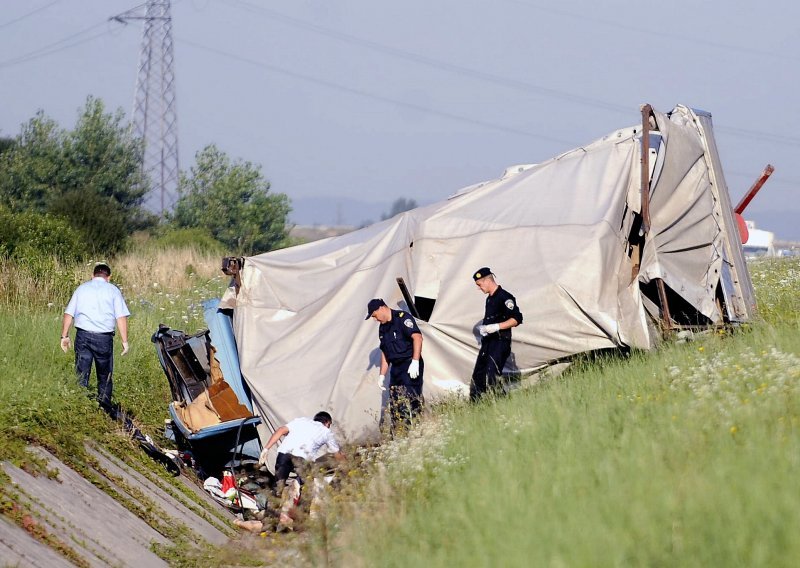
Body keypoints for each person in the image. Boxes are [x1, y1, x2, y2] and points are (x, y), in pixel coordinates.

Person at [61, 263, 130, 410]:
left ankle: (79, 406)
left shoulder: (82, 289)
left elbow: (69, 314)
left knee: (81, 373)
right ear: (109, 277)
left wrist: (64, 336)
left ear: (92, 275)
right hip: (103, 338)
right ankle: (104, 407)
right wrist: (125, 341)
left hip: (83, 336)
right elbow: (121, 317)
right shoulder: (113, 291)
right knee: (105, 375)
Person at [366, 298, 424, 428]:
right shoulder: (383, 328)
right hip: (396, 367)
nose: (375, 319)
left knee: (411, 397)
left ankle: (416, 428)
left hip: (409, 363)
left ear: (381, 308)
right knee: (395, 402)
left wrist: (415, 361)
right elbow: (385, 353)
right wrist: (382, 375)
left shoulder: (402, 318)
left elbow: (417, 338)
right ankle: (400, 431)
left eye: (375, 316)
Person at [471, 267, 522, 400]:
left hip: (500, 342)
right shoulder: (489, 299)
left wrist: (497, 327)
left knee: (492, 374)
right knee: (479, 374)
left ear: (487, 280)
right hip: (488, 342)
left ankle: (501, 402)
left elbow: (516, 319)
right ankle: (477, 406)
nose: (479, 288)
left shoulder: (504, 297)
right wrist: (486, 329)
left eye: (479, 284)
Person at [261, 411, 344, 492]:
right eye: (329, 425)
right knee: (307, 486)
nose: (329, 427)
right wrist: (346, 464)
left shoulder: (301, 420)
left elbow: (281, 430)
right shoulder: (326, 432)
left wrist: (266, 449)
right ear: (327, 422)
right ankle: (298, 486)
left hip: (284, 454)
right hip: (302, 458)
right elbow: (336, 453)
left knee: (279, 485)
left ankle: (276, 500)